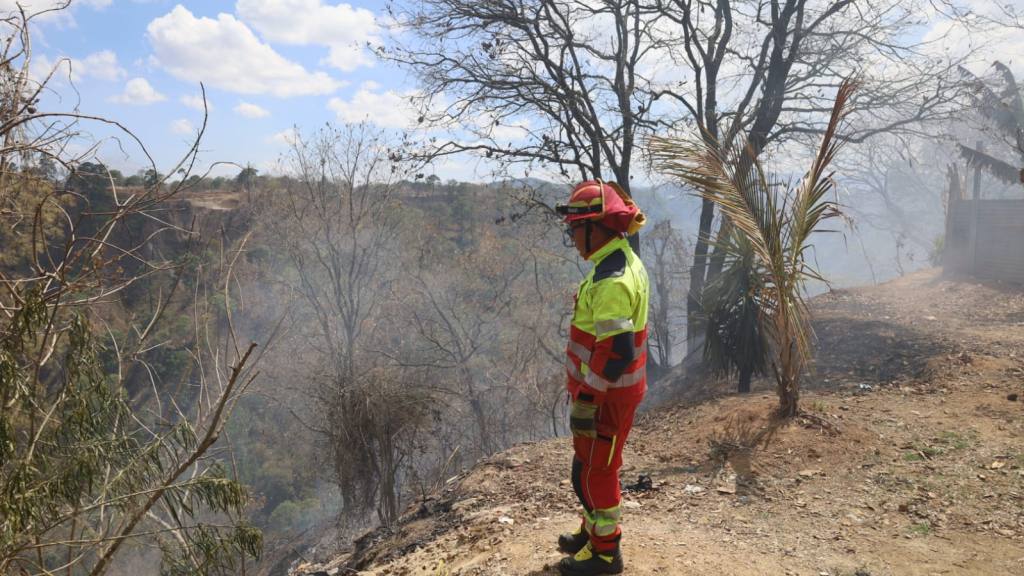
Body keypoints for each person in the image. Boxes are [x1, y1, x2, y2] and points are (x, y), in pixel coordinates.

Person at [554, 180, 649, 576]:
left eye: (576, 229)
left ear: (597, 228)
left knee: (597, 471)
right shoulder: (618, 260)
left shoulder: (612, 281)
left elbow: (618, 352)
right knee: (586, 465)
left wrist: (588, 400)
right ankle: (592, 532)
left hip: (606, 398)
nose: (573, 238)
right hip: (606, 394)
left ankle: (606, 553)